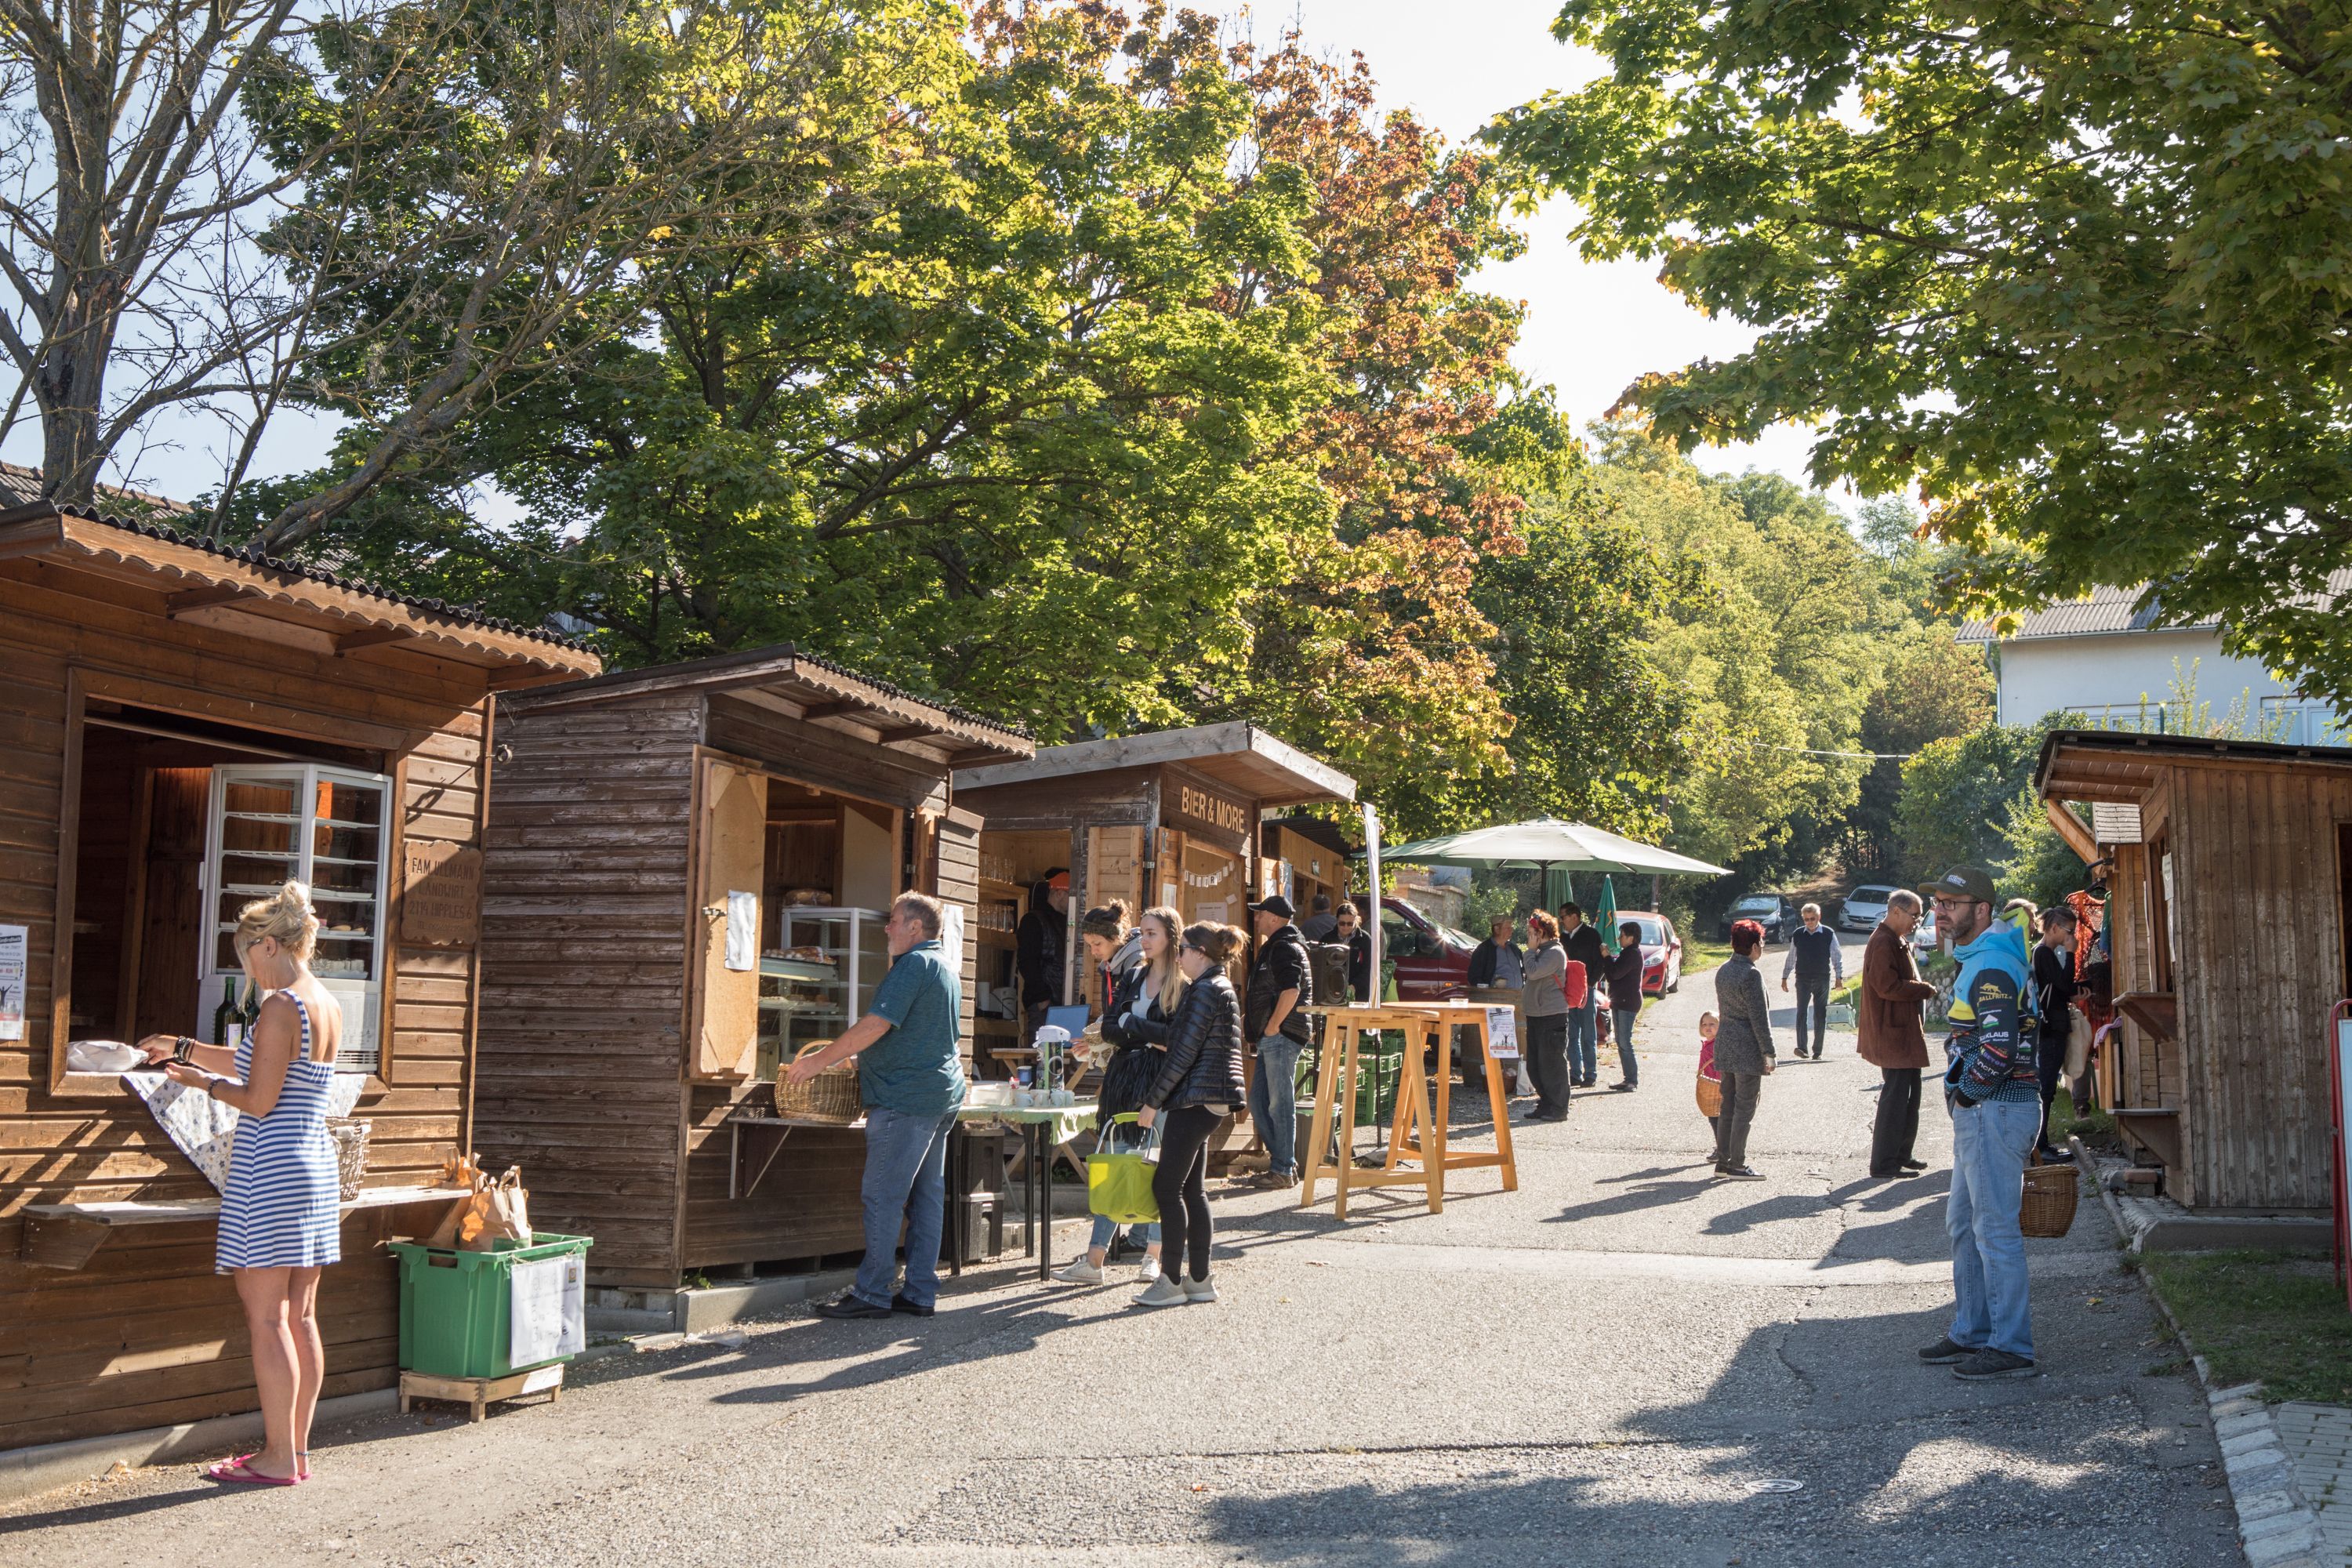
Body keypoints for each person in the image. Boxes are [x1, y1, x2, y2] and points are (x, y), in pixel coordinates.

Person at [136, 881, 343, 1486]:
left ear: (272, 946)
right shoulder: (321, 1002)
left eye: (247, 959)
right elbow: (261, 1064)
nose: (248, 972)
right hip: (312, 1167)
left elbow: (256, 1098)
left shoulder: (281, 1006)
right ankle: (296, 1453)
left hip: (271, 1169)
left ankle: (276, 1458)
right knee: (301, 1317)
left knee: (267, 1320)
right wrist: (184, 1049)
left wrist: (199, 1085)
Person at [793, 892, 968, 1320]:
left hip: (905, 1098)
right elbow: (913, 1034)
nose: (887, 928)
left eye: (894, 921)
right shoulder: (944, 965)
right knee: (926, 1196)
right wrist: (862, 1058)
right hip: (939, 1093)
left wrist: (818, 1061)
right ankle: (920, 1292)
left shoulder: (912, 965)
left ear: (915, 927)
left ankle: (872, 1294)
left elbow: (876, 1024)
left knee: (882, 1196)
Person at [1914, 864, 2041, 1381]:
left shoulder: (1990, 964)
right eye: (1937, 902)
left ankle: (2012, 1348)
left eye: (1952, 903)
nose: (1940, 912)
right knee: (1964, 1225)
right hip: (1990, 1110)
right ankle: (1973, 1332)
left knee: (1994, 1230)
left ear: (1982, 910)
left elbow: (1999, 1048)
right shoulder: (1983, 957)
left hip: (1995, 1109)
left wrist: (1965, 1095)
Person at [1057, 906, 1182, 1287]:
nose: (1142, 940)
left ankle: (1153, 1256)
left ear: (1170, 939)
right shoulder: (1132, 975)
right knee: (1114, 1163)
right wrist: (1138, 1032)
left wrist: (1133, 1028)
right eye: (1141, 933)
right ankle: (1094, 1259)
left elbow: (1174, 1040)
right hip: (1125, 1077)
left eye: (1151, 934)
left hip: (1162, 1084)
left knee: (1159, 1169)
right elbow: (1111, 1025)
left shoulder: (1183, 984)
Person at [1133, 922, 1250, 1307]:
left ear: (1200, 952)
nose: (1178, 955)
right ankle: (1199, 1280)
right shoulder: (1218, 987)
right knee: (1190, 1189)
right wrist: (1139, 1029)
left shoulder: (1204, 990)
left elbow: (1182, 1055)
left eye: (1182, 948)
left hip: (1196, 1098)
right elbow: (1184, 1040)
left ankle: (1169, 1280)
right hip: (1212, 1097)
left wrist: (1152, 1102)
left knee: (1166, 1188)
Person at [1860, 889, 1939, 1178]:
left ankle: (1902, 1154)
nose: (1917, 922)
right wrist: (1923, 989)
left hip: (1903, 1033)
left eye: (1919, 916)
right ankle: (1883, 1164)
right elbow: (1886, 987)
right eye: (1914, 915)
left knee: (1910, 1096)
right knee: (1895, 1100)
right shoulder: (1883, 941)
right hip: (1892, 1034)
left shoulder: (1897, 939)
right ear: (1896, 911)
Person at [1241, 895, 1312, 1192]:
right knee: (1259, 1102)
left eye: (1261, 914)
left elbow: (1291, 991)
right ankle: (1283, 1163)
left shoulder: (1284, 947)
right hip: (1274, 1036)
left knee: (1279, 1103)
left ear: (1275, 918)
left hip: (1281, 1036)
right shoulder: (1282, 944)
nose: (1256, 918)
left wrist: (1272, 1027)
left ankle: (1283, 1168)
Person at [1710, 919, 1777, 1177]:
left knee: (1728, 1106)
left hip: (1725, 1045)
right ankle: (1737, 1162)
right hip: (1747, 1048)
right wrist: (1769, 1053)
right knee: (1744, 1108)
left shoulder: (1723, 970)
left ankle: (1724, 1160)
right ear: (1754, 946)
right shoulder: (1752, 974)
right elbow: (1760, 1019)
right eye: (1762, 943)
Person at [2032, 907, 2081, 1163]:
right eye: (2069, 931)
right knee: (2047, 1088)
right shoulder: (2043, 953)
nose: (2072, 936)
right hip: (2050, 1030)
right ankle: (2041, 1147)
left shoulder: (2045, 953)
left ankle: (2041, 1144)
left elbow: (2062, 988)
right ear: (2053, 928)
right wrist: (2071, 953)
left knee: (2048, 1087)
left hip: (2053, 1027)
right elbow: (2063, 984)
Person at [1515, 911, 1571, 1122]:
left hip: (1552, 1015)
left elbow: (1533, 972)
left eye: (1531, 932)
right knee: (1535, 1065)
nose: (1528, 937)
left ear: (1541, 933)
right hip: (1536, 1015)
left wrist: (1529, 952)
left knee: (1552, 1065)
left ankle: (1559, 1108)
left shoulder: (1555, 953)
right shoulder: (1540, 951)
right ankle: (1546, 1103)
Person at [1780, 902, 1846, 1060]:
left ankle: (1818, 1050)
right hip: (1802, 978)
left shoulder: (1828, 933)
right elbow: (1791, 957)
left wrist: (1839, 978)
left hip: (1822, 978)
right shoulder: (1798, 934)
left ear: (1819, 917)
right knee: (1801, 1012)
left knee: (1820, 1014)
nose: (1809, 922)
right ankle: (1802, 1048)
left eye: (1812, 918)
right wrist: (1785, 977)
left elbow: (1837, 956)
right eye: (1806, 919)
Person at [1014, 871, 1070, 1049]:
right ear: (1059, 893)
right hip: (1044, 1003)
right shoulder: (1033, 920)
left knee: (1064, 1057)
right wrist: (1042, 998)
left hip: (1064, 1002)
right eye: (1072, 895)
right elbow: (1027, 962)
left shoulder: (1068, 922)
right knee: (1042, 1057)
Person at [1559, 903, 1607, 1088]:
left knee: (1588, 1034)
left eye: (1563, 917)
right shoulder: (1563, 938)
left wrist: (1591, 983)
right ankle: (1575, 1074)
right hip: (1568, 992)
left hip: (1586, 990)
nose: (1562, 921)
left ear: (1574, 916)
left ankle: (1590, 1074)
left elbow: (1600, 962)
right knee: (1571, 1034)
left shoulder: (1591, 935)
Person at [1602, 920, 1646, 1090]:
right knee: (1621, 1042)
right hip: (1620, 1001)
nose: (1619, 938)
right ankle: (1628, 1078)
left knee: (1625, 1042)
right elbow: (1613, 974)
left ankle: (1632, 1080)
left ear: (1631, 938)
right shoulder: (1626, 953)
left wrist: (1606, 956)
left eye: (1621, 936)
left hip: (1628, 1002)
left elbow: (1615, 973)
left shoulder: (1633, 954)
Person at [1468, 916, 1526, 991]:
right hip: (1495, 998)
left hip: (1517, 997)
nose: (1511, 930)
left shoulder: (1514, 949)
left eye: (1511, 928)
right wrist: (1487, 991)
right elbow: (1474, 977)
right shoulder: (1484, 949)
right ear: (1497, 929)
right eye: (1508, 928)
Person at [1333, 900, 1373, 1002]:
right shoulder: (1328, 938)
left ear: (1356, 921)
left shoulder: (1365, 939)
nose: (1345, 927)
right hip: (1333, 993)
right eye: (1342, 923)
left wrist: (1355, 986)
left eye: (1350, 924)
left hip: (1359, 995)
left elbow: (1369, 968)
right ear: (1337, 921)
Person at [1695, 1011, 1722, 1142]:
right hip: (1709, 1084)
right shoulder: (1708, 1043)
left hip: (1717, 1086)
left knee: (1717, 1118)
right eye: (1704, 1024)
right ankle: (1721, 1146)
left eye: (1712, 1024)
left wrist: (1718, 1082)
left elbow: (1720, 1066)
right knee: (1714, 1117)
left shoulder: (1718, 1045)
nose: (1707, 1027)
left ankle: (1722, 1147)